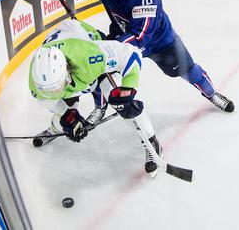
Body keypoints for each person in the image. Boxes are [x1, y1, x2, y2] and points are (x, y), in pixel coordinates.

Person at [44, 0, 234, 116]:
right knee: (98, 69)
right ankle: (100, 107)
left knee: (187, 70)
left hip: (160, 43)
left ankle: (211, 94)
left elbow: (140, 37)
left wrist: (107, 48)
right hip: (124, 35)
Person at [29, 20, 163, 176]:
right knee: (65, 117)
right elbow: (46, 99)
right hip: (70, 62)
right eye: (50, 90)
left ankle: (152, 142)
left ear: (65, 71)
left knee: (124, 105)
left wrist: (127, 91)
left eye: (57, 87)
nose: (54, 93)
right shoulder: (38, 82)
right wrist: (68, 115)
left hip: (88, 54)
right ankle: (53, 129)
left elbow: (131, 54)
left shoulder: (91, 56)